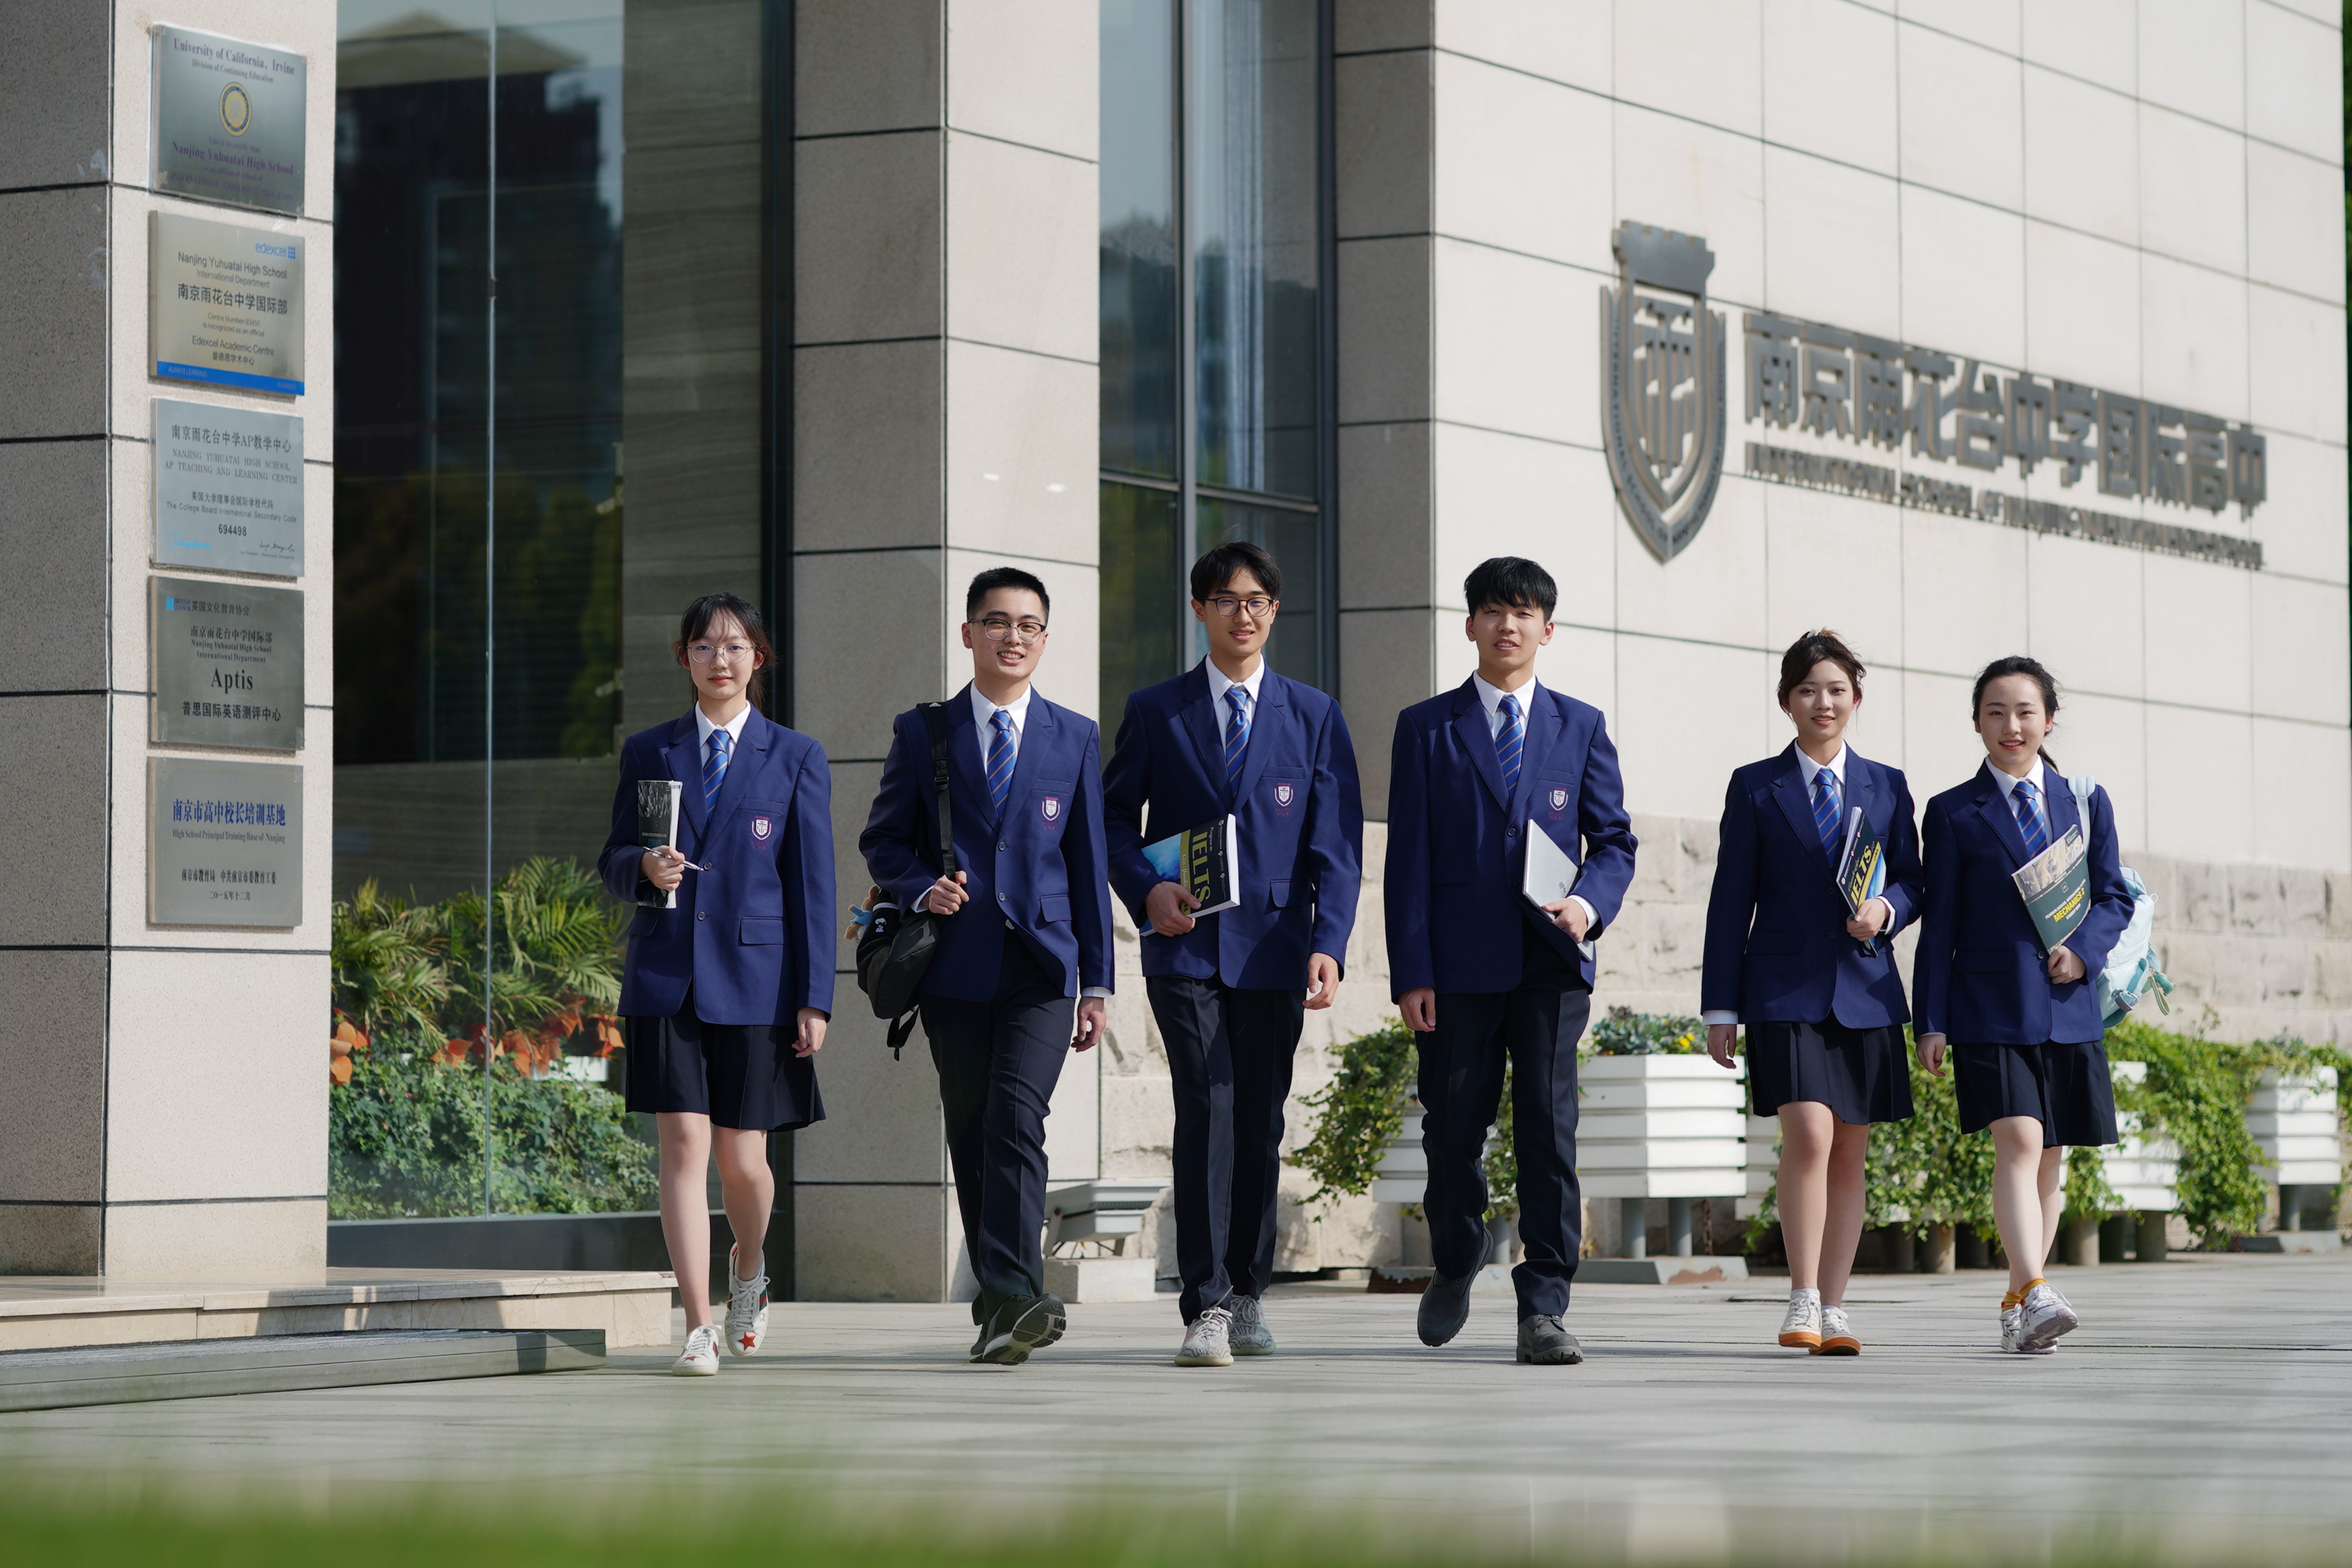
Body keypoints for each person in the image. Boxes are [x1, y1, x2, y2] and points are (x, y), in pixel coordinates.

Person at [1102, 541, 1364, 1368]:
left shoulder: (1314, 714)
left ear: (1274, 612)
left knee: (1259, 1120)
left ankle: (1250, 1296)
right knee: (1206, 1109)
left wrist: (1330, 944)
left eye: (1255, 600)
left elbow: (1337, 845)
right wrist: (1146, 890)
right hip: (1185, 947)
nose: (1241, 613)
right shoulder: (1157, 709)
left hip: (1278, 948)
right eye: (1225, 599)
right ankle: (1206, 1304)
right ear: (1199, 611)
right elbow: (1110, 820)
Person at [1384, 556, 1637, 1366]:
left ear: (1547, 630)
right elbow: (1410, 861)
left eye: (1524, 613)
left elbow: (1616, 841)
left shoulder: (1581, 725)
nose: (1508, 626)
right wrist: (1411, 972)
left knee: (1547, 1131)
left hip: (1549, 964)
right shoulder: (1426, 727)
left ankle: (1545, 1304)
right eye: (1493, 611)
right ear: (1470, 625)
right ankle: (1457, 1258)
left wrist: (1589, 905)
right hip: (1455, 969)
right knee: (1454, 1131)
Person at [859, 567, 1114, 1366]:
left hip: (1042, 966)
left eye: (1029, 625)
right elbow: (883, 840)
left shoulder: (1073, 735)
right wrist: (917, 887)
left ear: (1045, 638)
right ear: (968, 633)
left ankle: (1020, 1292)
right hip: (954, 968)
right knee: (974, 1132)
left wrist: (1097, 982)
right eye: (997, 622)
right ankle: (1003, 1310)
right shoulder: (924, 731)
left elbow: (1087, 864)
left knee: (1014, 1117)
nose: (1013, 637)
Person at [597, 593, 834, 1376]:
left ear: (758, 659)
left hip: (760, 986)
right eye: (705, 647)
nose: (720, 659)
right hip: (668, 975)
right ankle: (697, 1325)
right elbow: (613, 858)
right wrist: (642, 867)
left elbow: (814, 887)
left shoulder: (795, 756)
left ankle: (750, 1265)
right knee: (684, 1145)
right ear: (685, 659)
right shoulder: (649, 752)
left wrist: (815, 996)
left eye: (735, 647)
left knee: (744, 1164)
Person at [1700, 630, 1922, 1356]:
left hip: (1865, 987)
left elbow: (1916, 880)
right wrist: (1721, 1006)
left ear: (1855, 698)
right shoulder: (1755, 785)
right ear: (1786, 701)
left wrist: (1886, 909)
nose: (1822, 702)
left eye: (1835, 689)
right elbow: (1731, 899)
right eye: (1806, 690)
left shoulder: (1886, 784)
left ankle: (1835, 1305)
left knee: (1851, 1151)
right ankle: (1800, 1294)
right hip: (1781, 990)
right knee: (1810, 1133)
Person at [1913, 656, 2133, 1355]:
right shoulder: (1951, 812)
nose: (2012, 725)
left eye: (2025, 711)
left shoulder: (2085, 799)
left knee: (2050, 1158)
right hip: (1987, 1005)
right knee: (2021, 1141)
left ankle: (2017, 1297)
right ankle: (2038, 1290)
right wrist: (1931, 1019)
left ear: (2048, 718)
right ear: (1977, 722)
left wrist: (2086, 951)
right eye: (1996, 712)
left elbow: (2114, 896)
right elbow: (1939, 924)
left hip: (2067, 1005)